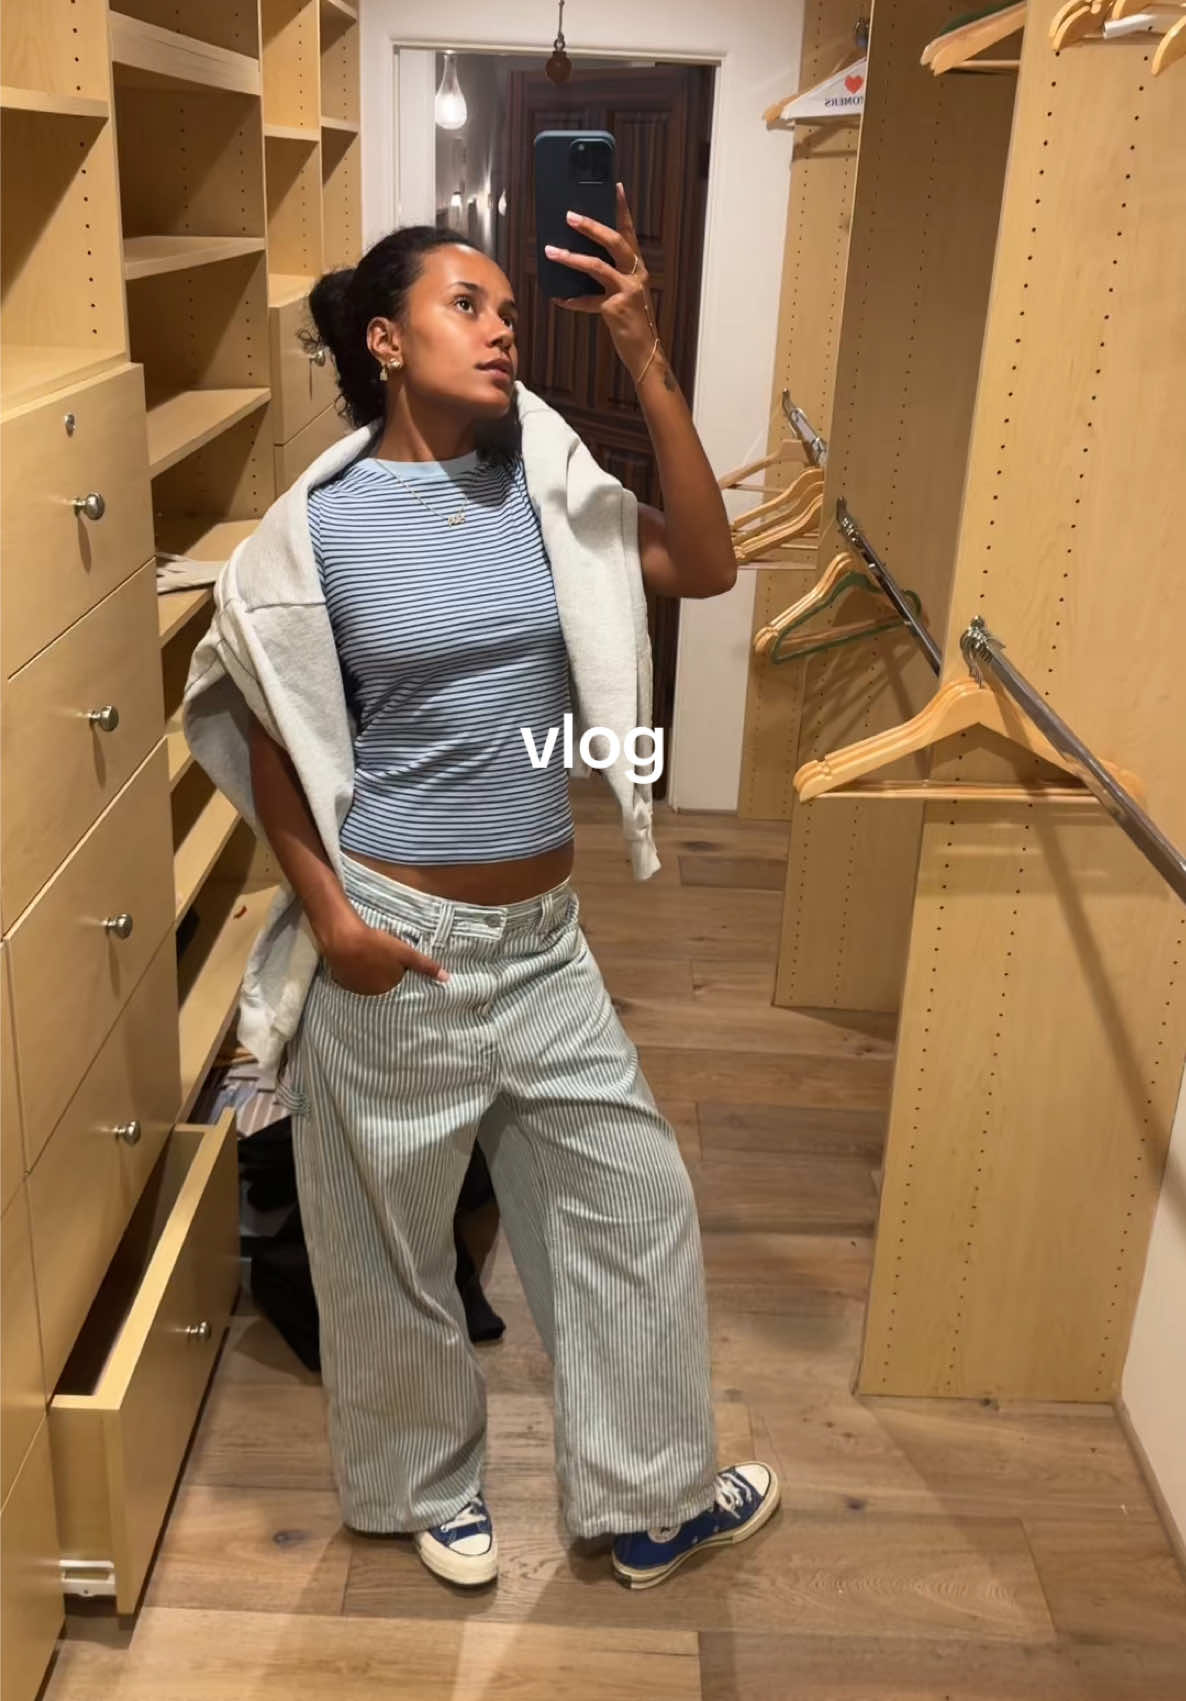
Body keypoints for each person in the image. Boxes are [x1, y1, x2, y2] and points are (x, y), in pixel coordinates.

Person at [183, 184, 780, 1592]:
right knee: (385, 1240)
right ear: (385, 341)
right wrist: (335, 921)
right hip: (399, 939)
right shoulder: (316, 532)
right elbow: (267, 733)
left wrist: (644, 353)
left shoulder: (544, 492)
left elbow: (705, 564)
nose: (503, 328)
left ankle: (647, 1497)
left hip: (546, 940)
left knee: (631, 1202)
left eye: (510, 310)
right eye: (469, 305)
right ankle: (422, 1489)